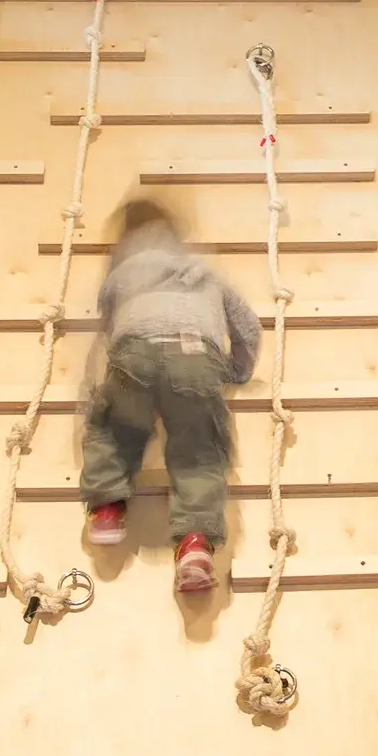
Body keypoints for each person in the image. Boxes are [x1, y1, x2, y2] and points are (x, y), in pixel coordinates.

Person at [80, 196, 262, 594]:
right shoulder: (205, 272)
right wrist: (237, 370)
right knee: (200, 451)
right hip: (197, 354)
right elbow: (248, 326)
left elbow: (108, 329)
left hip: (135, 351)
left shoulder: (121, 275)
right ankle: (195, 543)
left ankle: (108, 507)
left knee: (115, 427)